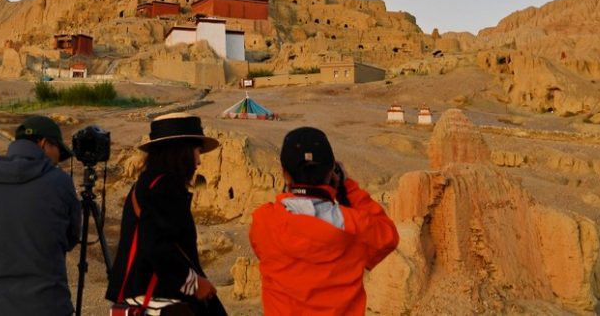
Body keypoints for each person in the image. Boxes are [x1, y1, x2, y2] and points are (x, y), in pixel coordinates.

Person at [249, 127, 399, 315]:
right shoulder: (355, 225)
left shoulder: (263, 221)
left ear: (284, 173)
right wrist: (348, 187)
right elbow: (388, 236)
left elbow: (262, 250)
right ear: (331, 172)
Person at [106, 112, 227, 316]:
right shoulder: (164, 185)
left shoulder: (148, 183)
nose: (199, 161)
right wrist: (194, 283)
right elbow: (156, 244)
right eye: (197, 151)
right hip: (159, 299)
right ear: (182, 151)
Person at [0, 115, 81, 316]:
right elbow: (71, 238)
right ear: (44, 144)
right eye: (58, 152)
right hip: (47, 306)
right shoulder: (60, 182)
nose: (58, 162)